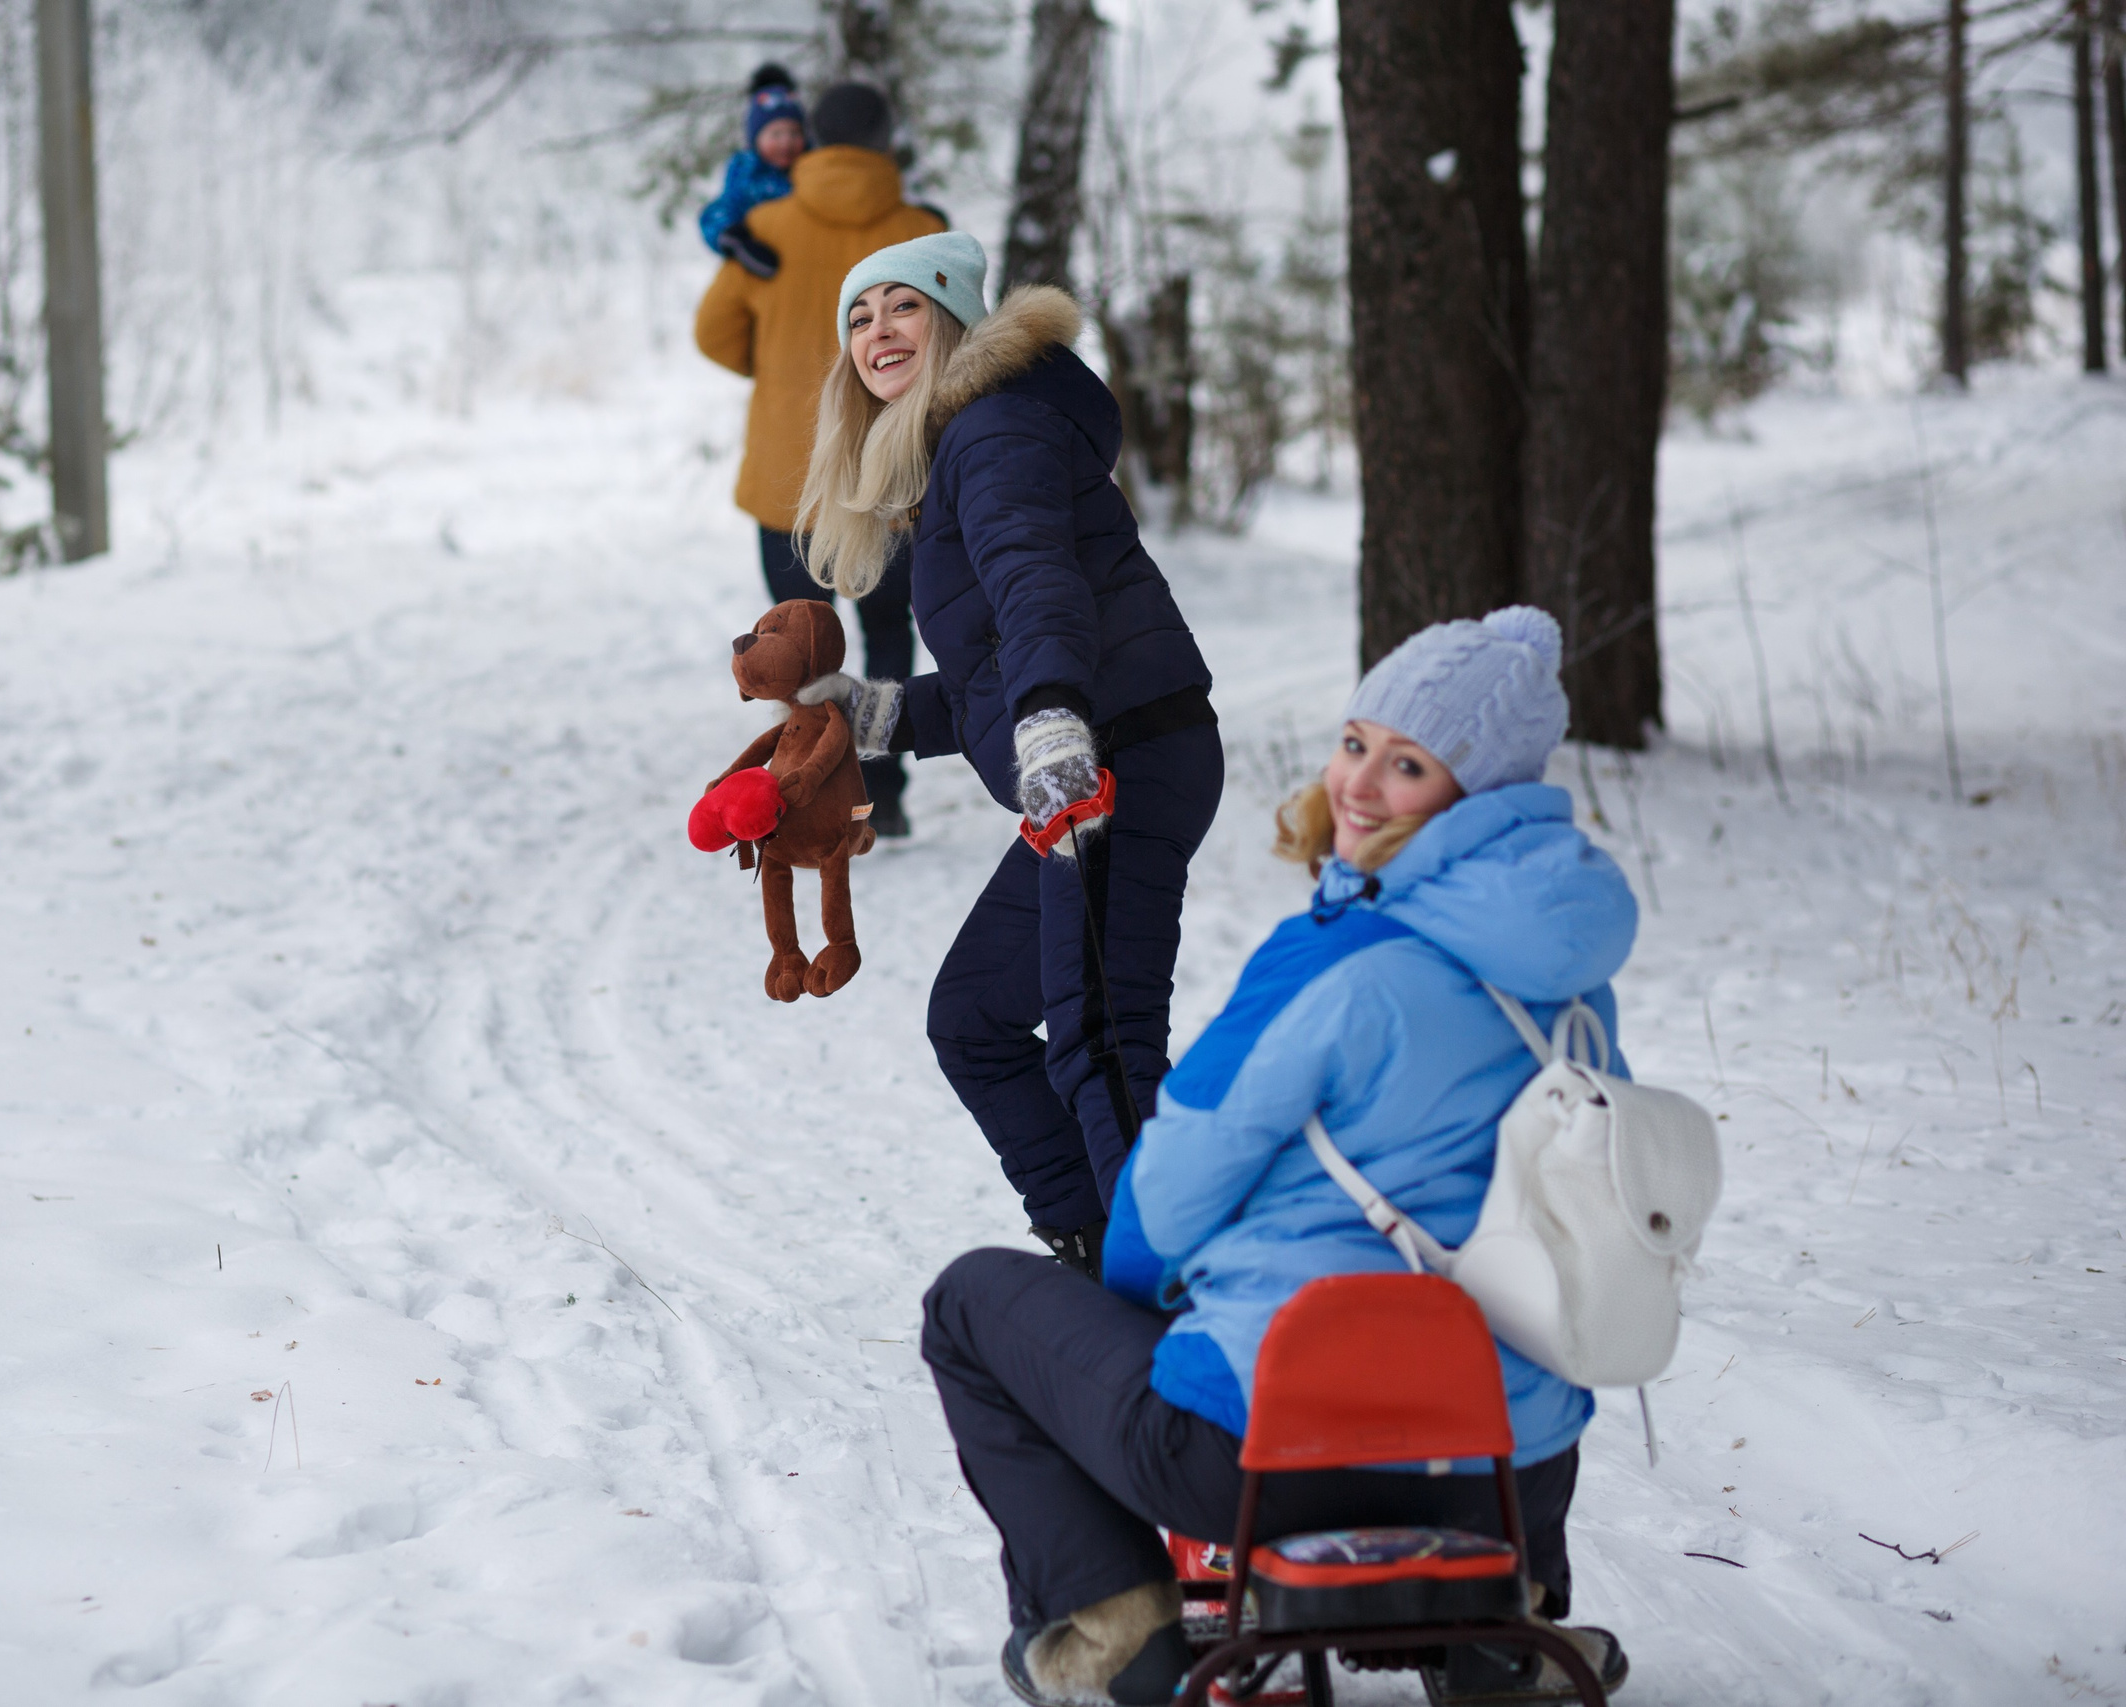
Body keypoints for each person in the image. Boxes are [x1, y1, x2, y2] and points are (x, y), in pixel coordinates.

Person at [919, 608, 1641, 1707]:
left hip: (1274, 1457)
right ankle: (1507, 1624)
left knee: (971, 1307)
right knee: (1493, 1333)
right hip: (1505, 1468)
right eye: (1354, 743)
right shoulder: (1573, 983)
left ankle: (1119, 1633)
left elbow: (1164, 1192)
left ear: (1474, 795)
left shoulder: (1334, 965)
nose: (1357, 784)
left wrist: (1138, 1313)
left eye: (1407, 765)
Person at [792, 230, 1220, 1269]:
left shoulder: (994, 432)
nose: (876, 332)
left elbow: (1038, 587)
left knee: (1103, 1045)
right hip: (1095, 750)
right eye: (857, 315)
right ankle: (1095, 1245)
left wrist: (1053, 723)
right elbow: (997, 663)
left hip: (1107, 760)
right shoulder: (971, 443)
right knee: (976, 1019)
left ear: (952, 320)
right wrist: (876, 716)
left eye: (902, 307)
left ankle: (1192, 1303)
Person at [694, 83, 944, 837]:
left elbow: (713, 332)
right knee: (889, 628)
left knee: (801, 643)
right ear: (887, 138)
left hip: (788, 480)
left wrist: (776, 369)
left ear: (811, 139)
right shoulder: (920, 232)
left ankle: (818, 796)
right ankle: (888, 791)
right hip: (891, 475)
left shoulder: (766, 227)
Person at [697, 63, 806, 278]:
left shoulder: (811, 169)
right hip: (759, 270)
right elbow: (719, 211)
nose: (786, 142)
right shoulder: (746, 173)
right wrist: (735, 239)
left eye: (794, 133)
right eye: (776, 135)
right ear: (756, 140)